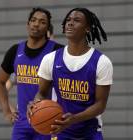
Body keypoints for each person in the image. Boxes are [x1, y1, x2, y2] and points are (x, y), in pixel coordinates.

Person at [28, 7, 113, 139]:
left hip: (90, 133)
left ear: (88, 28)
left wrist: (74, 118)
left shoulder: (101, 62)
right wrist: (36, 105)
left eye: (77, 20)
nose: (70, 23)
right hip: (60, 131)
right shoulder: (50, 59)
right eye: (68, 20)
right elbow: (42, 93)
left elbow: (100, 105)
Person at [0, 7, 64, 140]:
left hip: (50, 121)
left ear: (47, 29)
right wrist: (6, 111)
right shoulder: (15, 51)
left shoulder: (58, 51)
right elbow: (0, 82)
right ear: (28, 24)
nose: (36, 24)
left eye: (42, 22)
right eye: (33, 20)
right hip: (22, 123)